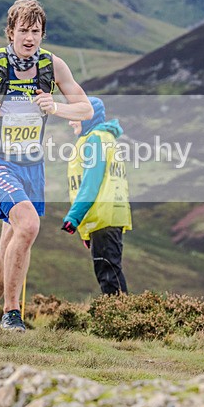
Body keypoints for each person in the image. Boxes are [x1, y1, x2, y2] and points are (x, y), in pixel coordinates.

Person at [0, 0, 92, 331]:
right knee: (29, 225)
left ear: (42, 34)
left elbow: (86, 109)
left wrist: (56, 108)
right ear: (10, 32)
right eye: (23, 31)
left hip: (32, 166)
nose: (29, 38)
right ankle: (11, 314)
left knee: (12, 240)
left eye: (35, 32)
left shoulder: (54, 66)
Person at [61, 97, 132, 295]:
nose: (71, 121)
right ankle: (123, 318)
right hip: (109, 215)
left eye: (75, 115)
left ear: (87, 116)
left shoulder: (94, 140)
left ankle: (120, 320)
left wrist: (74, 217)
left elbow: (91, 183)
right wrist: (86, 231)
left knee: (108, 273)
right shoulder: (105, 138)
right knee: (110, 270)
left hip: (102, 215)